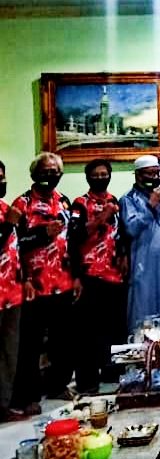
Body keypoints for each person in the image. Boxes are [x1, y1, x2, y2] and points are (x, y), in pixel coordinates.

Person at [11, 152, 77, 414]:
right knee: (31, 344)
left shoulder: (64, 201)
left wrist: (76, 276)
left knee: (63, 340)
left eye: (54, 172)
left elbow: (71, 241)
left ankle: (59, 385)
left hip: (63, 281)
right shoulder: (22, 203)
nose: (50, 176)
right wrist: (42, 234)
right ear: (34, 174)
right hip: (33, 285)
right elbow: (14, 244)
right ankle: (28, 396)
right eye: (45, 171)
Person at [69, 159, 127, 394]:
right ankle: (87, 381)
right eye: (96, 175)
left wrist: (123, 255)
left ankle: (113, 374)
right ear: (88, 177)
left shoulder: (114, 200)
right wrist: (102, 216)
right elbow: (75, 236)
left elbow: (119, 232)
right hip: (90, 275)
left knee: (114, 328)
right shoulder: (79, 204)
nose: (101, 178)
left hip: (114, 274)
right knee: (88, 332)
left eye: (105, 174)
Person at [120, 155, 160, 332]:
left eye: (156, 173)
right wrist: (150, 206)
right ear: (138, 175)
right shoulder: (128, 199)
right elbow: (131, 228)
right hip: (143, 260)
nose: (154, 177)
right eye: (150, 173)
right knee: (144, 299)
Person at [0, 161, 23, 421]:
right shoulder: (11, 215)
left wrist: (24, 279)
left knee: (9, 353)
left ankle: (4, 405)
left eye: (2, 177)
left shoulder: (6, 208)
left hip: (11, 292)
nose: (1, 182)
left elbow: (15, 251)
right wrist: (7, 225)